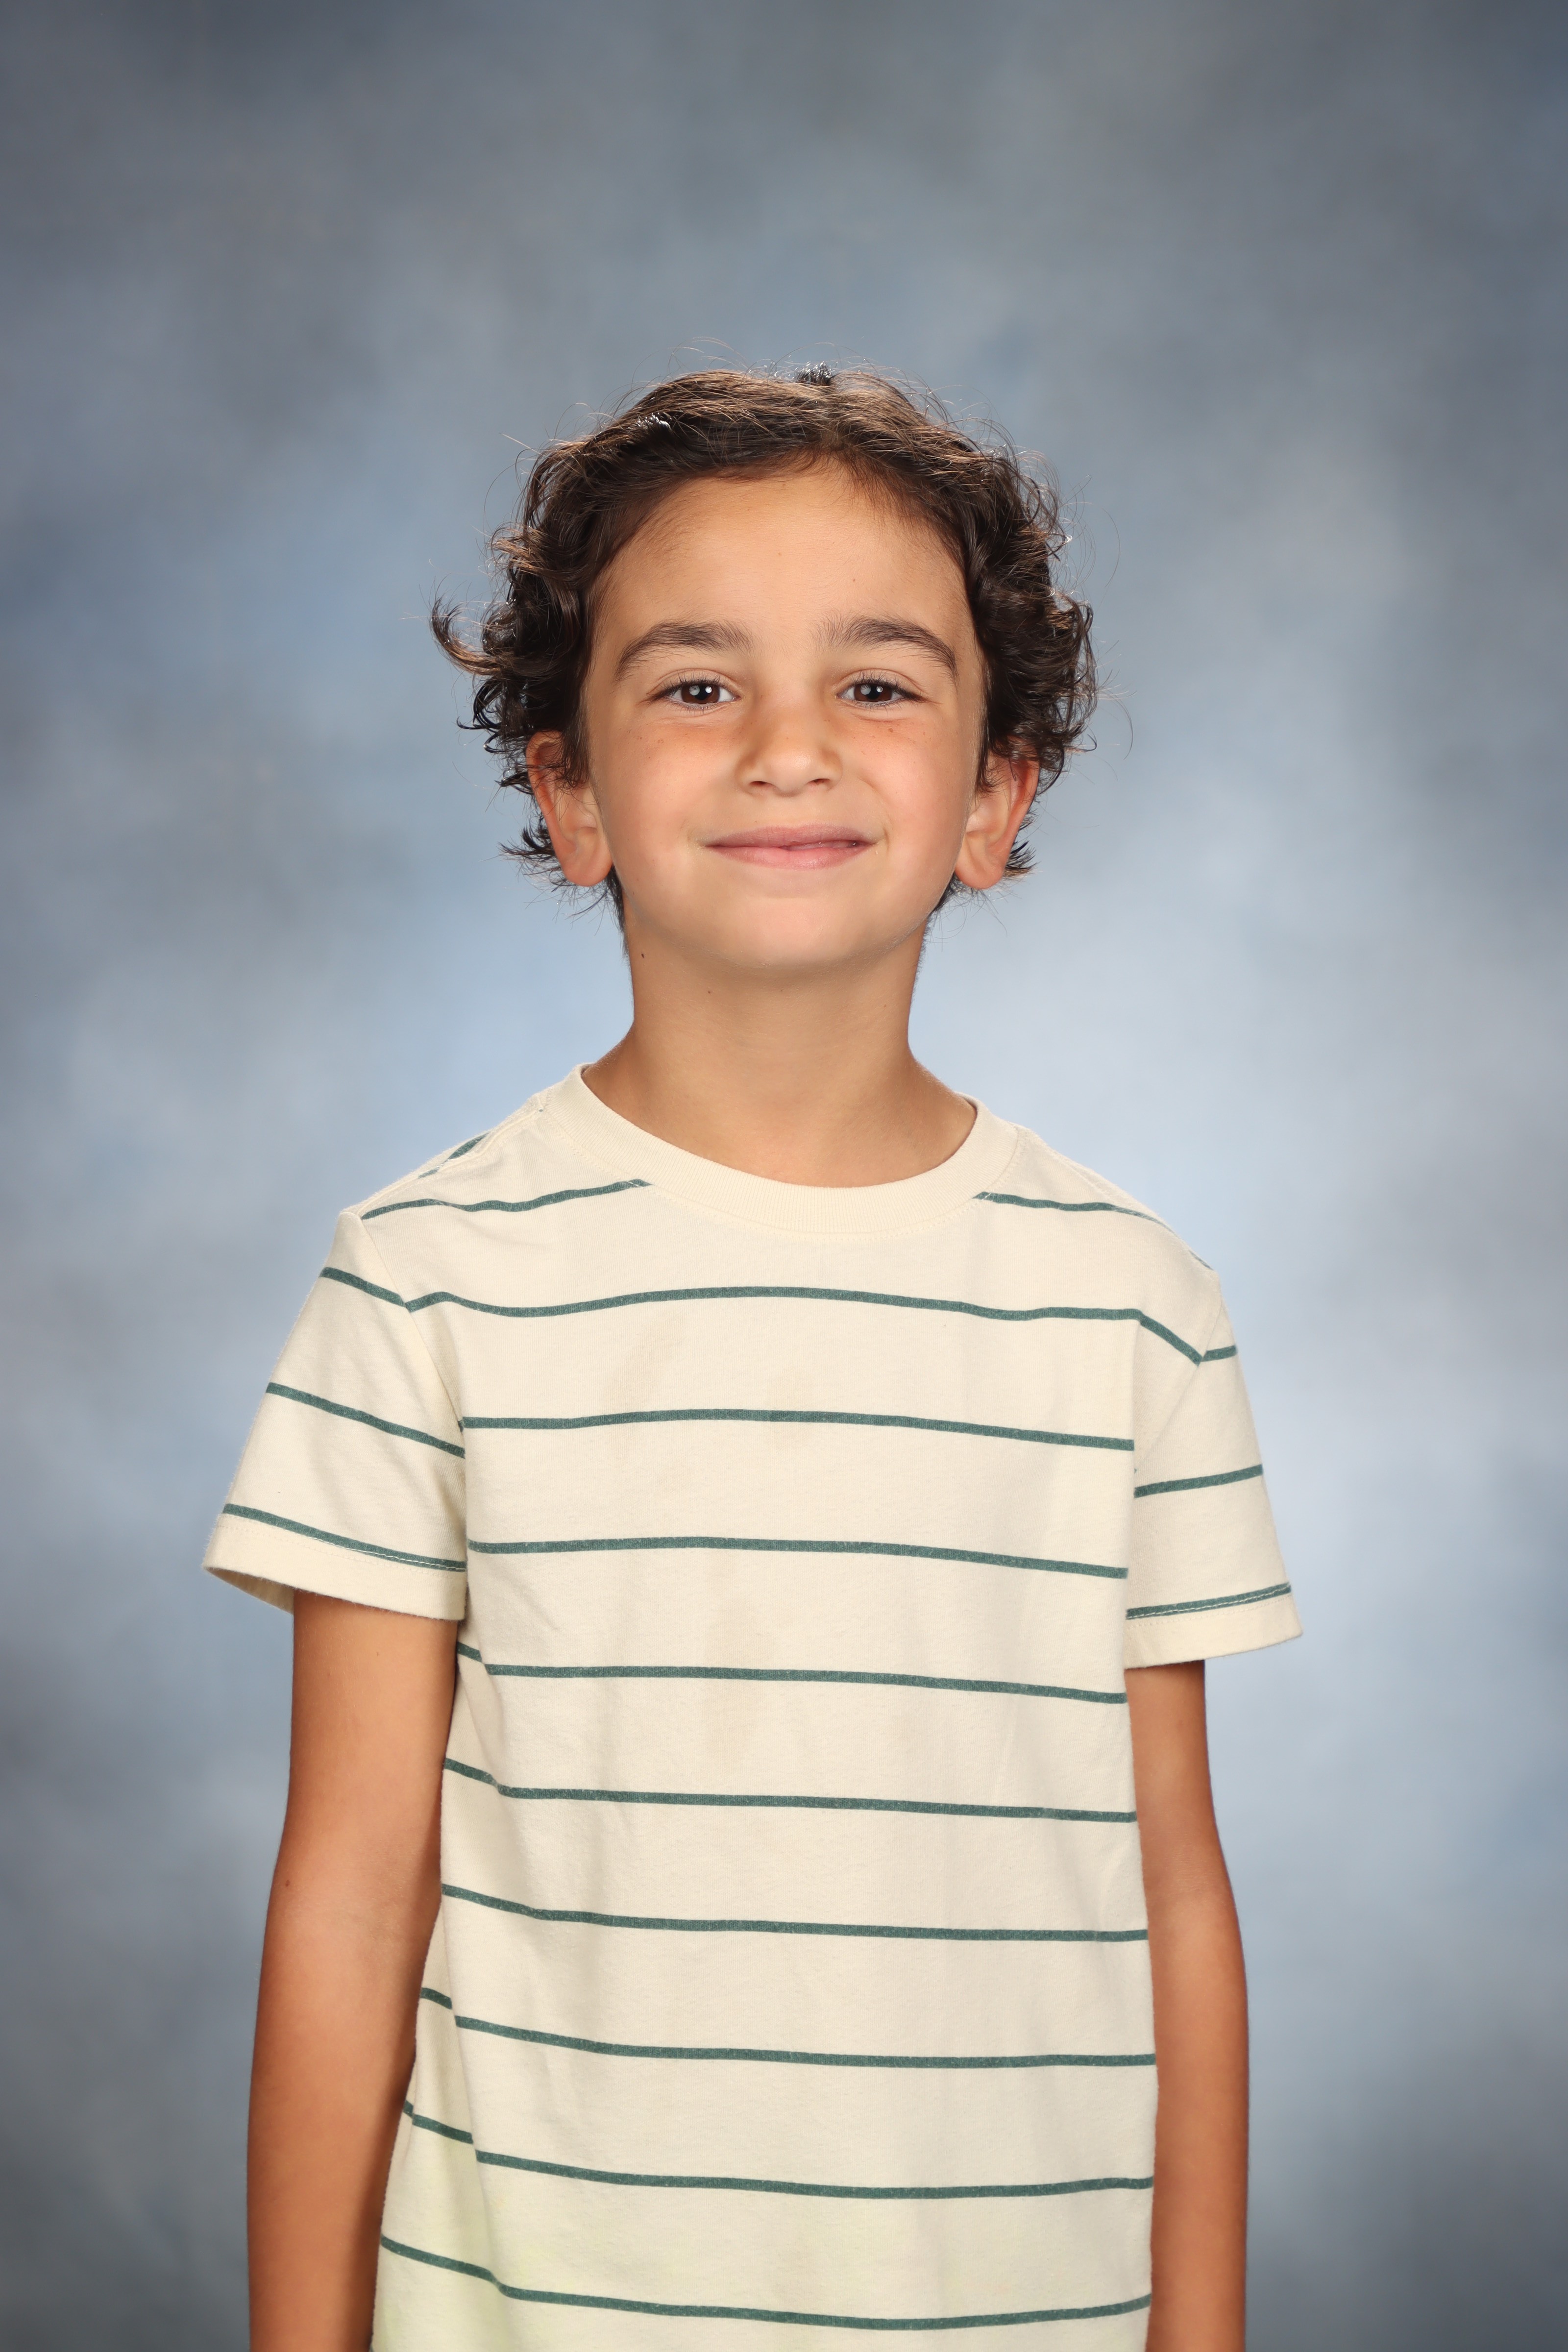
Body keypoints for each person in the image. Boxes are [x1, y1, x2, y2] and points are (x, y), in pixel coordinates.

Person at [207, 366, 1300, 2352]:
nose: (788, 749)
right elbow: (351, 1897)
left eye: (874, 685)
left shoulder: (1133, 1302)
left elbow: (1176, 1895)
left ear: (995, 799)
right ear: (570, 795)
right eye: (698, 685)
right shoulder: (425, 1282)